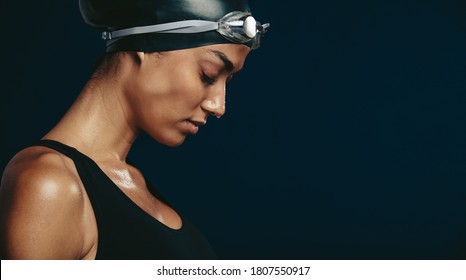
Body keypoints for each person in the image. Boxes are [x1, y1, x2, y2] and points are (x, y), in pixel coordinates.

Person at [0, 0, 268, 260]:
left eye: (227, 81)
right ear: (147, 44)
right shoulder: (49, 184)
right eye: (208, 75)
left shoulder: (133, 182)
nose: (218, 106)